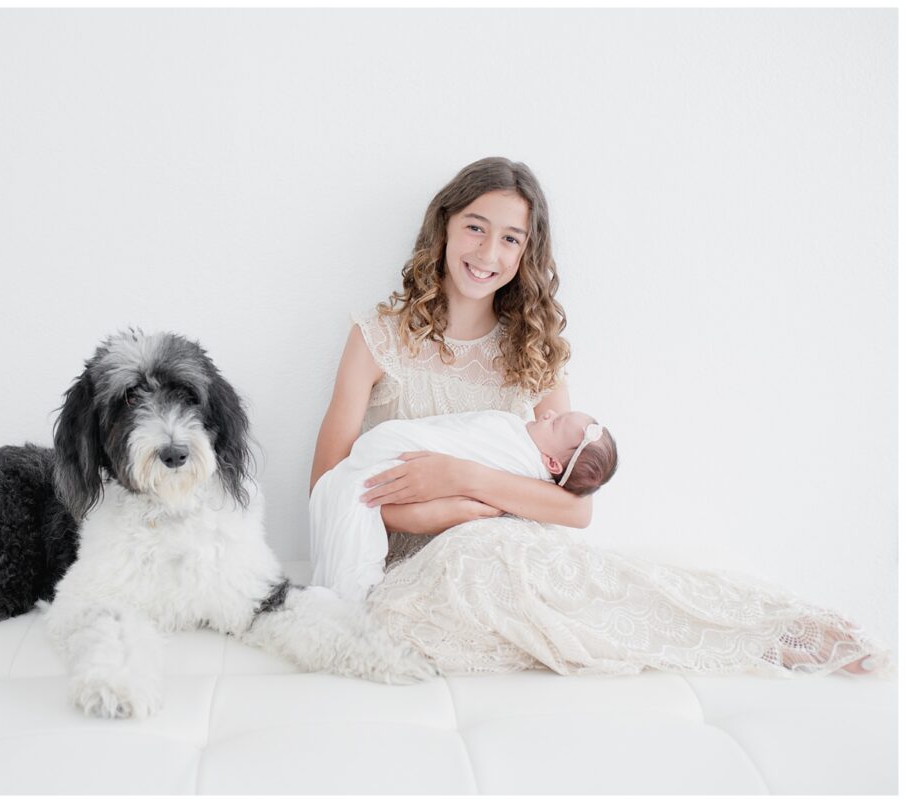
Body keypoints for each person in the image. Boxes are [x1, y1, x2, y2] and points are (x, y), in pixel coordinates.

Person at [310, 156, 887, 677]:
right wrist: (435, 511)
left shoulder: (530, 347)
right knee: (478, 555)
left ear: (525, 253)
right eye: (475, 228)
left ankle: (764, 628)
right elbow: (326, 490)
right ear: (445, 227)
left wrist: (464, 479)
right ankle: (744, 639)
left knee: (567, 574)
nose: (488, 254)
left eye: (510, 239)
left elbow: (575, 509)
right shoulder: (377, 337)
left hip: (515, 553)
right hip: (415, 570)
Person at [311, 408, 617, 601]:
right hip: (399, 490)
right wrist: (415, 516)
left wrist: (463, 476)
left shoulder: (527, 457)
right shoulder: (524, 434)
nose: (548, 414)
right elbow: (326, 482)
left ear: (551, 463)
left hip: (473, 565)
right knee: (354, 488)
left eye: (555, 422)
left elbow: (577, 510)